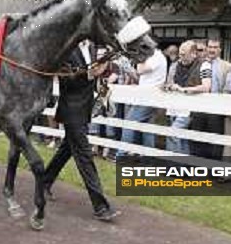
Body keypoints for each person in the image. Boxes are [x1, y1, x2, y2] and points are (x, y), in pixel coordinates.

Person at [43, 41, 119, 221]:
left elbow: (99, 72)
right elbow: (66, 79)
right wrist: (92, 74)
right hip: (70, 109)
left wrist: (105, 65)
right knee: (85, 155)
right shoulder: (65, 48)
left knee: (66, 150)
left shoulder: (92, 48)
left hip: (85, 108)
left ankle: (44, 182)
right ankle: (100, 206)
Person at [115, 45, 167, 158]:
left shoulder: (157, 56)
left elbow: (140, 70)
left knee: (129, 122)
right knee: (147, 127)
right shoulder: (153, 57)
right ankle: (148, 156)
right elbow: (143, 78)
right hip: (146, 96)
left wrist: (138, 58)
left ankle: (122, 154)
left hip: (149, 97)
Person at [165, 40, 212, 155]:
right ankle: (183, 168)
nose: (181, 57)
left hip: (190, 109)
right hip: (174, 107)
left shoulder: (204, 65)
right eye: (180, 54)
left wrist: (185, 90)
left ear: (193, 53)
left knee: (172, 133)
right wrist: (170, 86)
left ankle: (174, 167)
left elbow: (206, 86)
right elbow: (168, 83)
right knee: (182, 138)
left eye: (183, 54)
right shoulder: (175, 65)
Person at [191, 38, 231, 160]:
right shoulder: (199, 64)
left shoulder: (227, 66)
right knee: (197, 137)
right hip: (199, 106)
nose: (212, 50)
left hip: (216, 108)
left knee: (215, 139)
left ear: (220, 49)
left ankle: (213, 169)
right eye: (210, 47)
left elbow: (227, 88)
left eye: (215, 47)